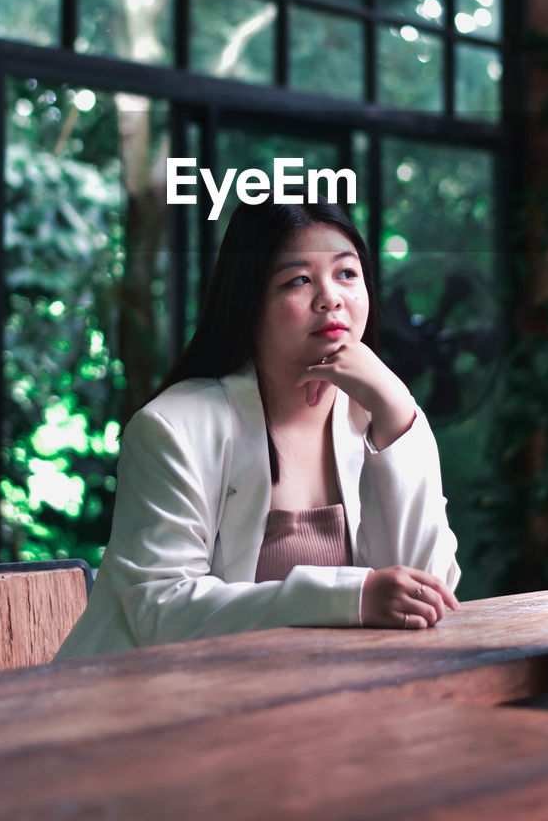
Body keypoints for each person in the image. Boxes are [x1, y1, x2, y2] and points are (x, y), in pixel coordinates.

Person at [55, 198, 460, 658]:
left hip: (324, 704)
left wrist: (395, 410)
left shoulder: (382, 415)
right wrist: (349, 597)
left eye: (347, 274)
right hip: (152, 709)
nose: (331, 297)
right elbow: (159, 610)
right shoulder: (174, 427)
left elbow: (430, 595)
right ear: (249, 302)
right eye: (299, 280)